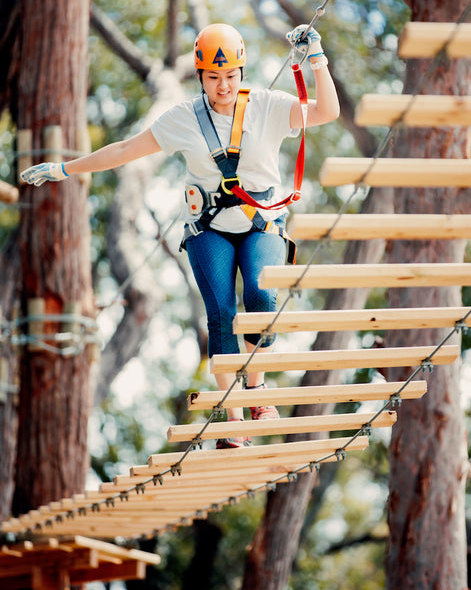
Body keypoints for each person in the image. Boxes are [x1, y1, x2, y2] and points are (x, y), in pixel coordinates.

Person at [21, 23, 340, 447]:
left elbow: (326, 112)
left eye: (230, 76)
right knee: (222, 314)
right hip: (209, 229)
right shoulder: (184, 119)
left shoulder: (268, 105)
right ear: (200, 76)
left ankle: (257, 390)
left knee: (262, 295)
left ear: (242, 71)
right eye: (213, 77)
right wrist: (64, 168)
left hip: (261, 223)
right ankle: (234, 419)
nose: (223, 85)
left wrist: (315, 56)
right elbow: (123, 150)